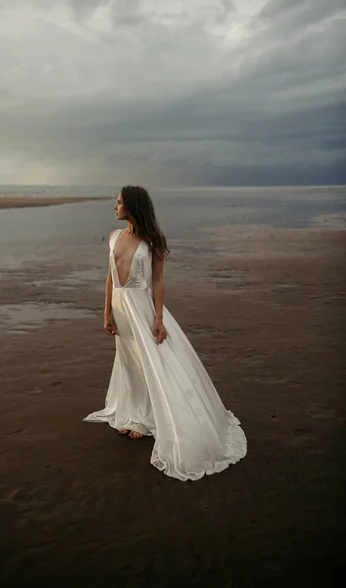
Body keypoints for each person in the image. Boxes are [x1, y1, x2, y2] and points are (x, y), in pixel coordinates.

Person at [84, 185, 247, 481]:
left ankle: (146, 419)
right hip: (121, 308)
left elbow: (158, 281)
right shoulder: (113, 238)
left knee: (151, 363)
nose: (114, 207)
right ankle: (132, 412)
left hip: (142, 308)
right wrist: (106, 312)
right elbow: (109, 277)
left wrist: (159, 318)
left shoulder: (153, 241)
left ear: (132, 206)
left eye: (119, 202)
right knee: (129, 361)